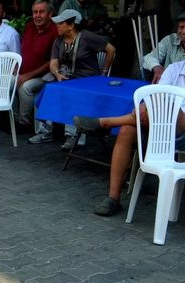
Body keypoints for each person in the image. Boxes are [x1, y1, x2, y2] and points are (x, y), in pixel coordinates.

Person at [73, 60, 185, 216]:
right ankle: (113, 198)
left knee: (175, 109)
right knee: (126, 131)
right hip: (158, 127)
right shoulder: (175, 68)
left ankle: (105, 122)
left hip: (181, 130)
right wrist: (145, 107)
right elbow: (157, 95)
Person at [27, 9, 115, 148]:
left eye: (60, 23)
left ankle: (72, 135)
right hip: (66, 77)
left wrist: (104, 71)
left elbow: (111, 49)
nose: (57, 26)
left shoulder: (86, 37)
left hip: (87, 79)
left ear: (71, 25)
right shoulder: (59, 40)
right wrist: (57, 74)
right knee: (49, 89)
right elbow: (53, 62)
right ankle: (45, 131)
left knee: (72, 94)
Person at [14, 0, 57, 130]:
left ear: (50, 14)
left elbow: (52, 61)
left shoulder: (55, 31)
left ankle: (24, 122)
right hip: (23, 72)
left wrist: (27, 76)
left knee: (25, 87)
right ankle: (12, 119)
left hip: (45, 76)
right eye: (35, 12)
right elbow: (23, 51)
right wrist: (16, 69)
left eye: (41, 12)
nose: (37, 15)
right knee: (4, 83)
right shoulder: (29, 27)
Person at [143, 12, 185, 84]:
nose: (184, 31)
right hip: (167, 89)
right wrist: (157, 67)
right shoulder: (170, 40)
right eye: (181, 27)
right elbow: (148, 58)